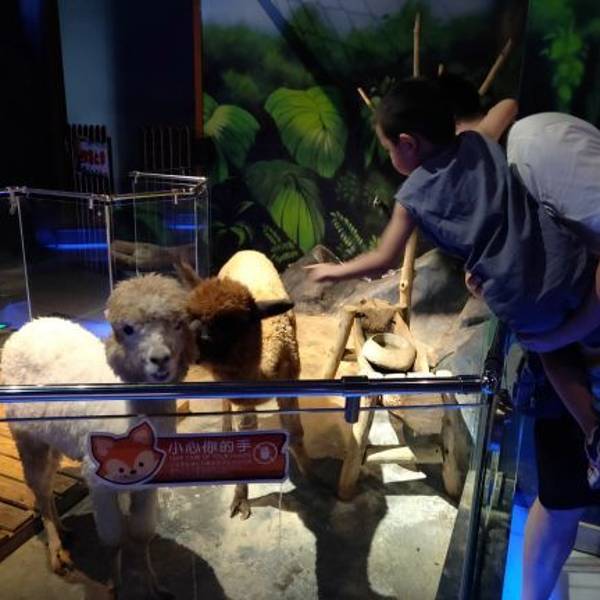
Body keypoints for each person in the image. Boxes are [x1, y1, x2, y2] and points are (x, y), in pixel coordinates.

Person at [305, 78, 600, 482]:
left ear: (408, 143)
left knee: (553, 353)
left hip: (519, 296)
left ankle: (592, 429)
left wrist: (334, 271)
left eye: (389, 148)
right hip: (564, 259)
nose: (390, 156)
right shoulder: (477, 141)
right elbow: (507, 105)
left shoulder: (412, 197)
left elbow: (382, 259)